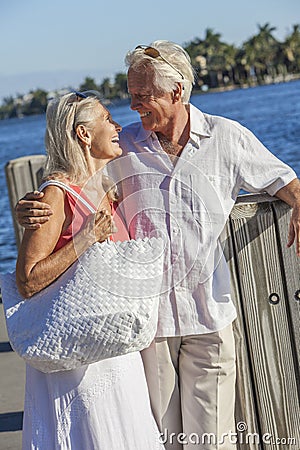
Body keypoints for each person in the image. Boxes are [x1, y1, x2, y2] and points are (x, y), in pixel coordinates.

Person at [16, 41, 300, 450]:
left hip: (209, 316)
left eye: (142, 95)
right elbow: (68, 179)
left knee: (211, 441)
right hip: (147, 326)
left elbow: (281, 177)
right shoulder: (121, 145)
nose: (133, 106)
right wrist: (34, 204)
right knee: (160, 440)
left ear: (177, 91)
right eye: (130, 95)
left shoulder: (227, 137)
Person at [15, 91, 164, 450]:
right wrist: (84, 238)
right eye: (108, 120)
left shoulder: (109, 188)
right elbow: (27, 280)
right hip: (77, 354)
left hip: (118, 350)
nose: (117, 127)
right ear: (84, 134)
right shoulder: (55, 194)